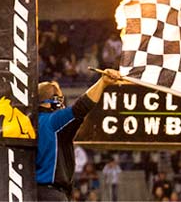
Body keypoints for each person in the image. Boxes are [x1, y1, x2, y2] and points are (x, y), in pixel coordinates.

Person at [36, 69, 123, 201]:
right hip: (52, 194)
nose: (62, 105)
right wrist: (102, 82)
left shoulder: (27, 123)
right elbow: (80, 107)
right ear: (52, 101)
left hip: (30, 193)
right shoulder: (52, 121)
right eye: (60, 99)